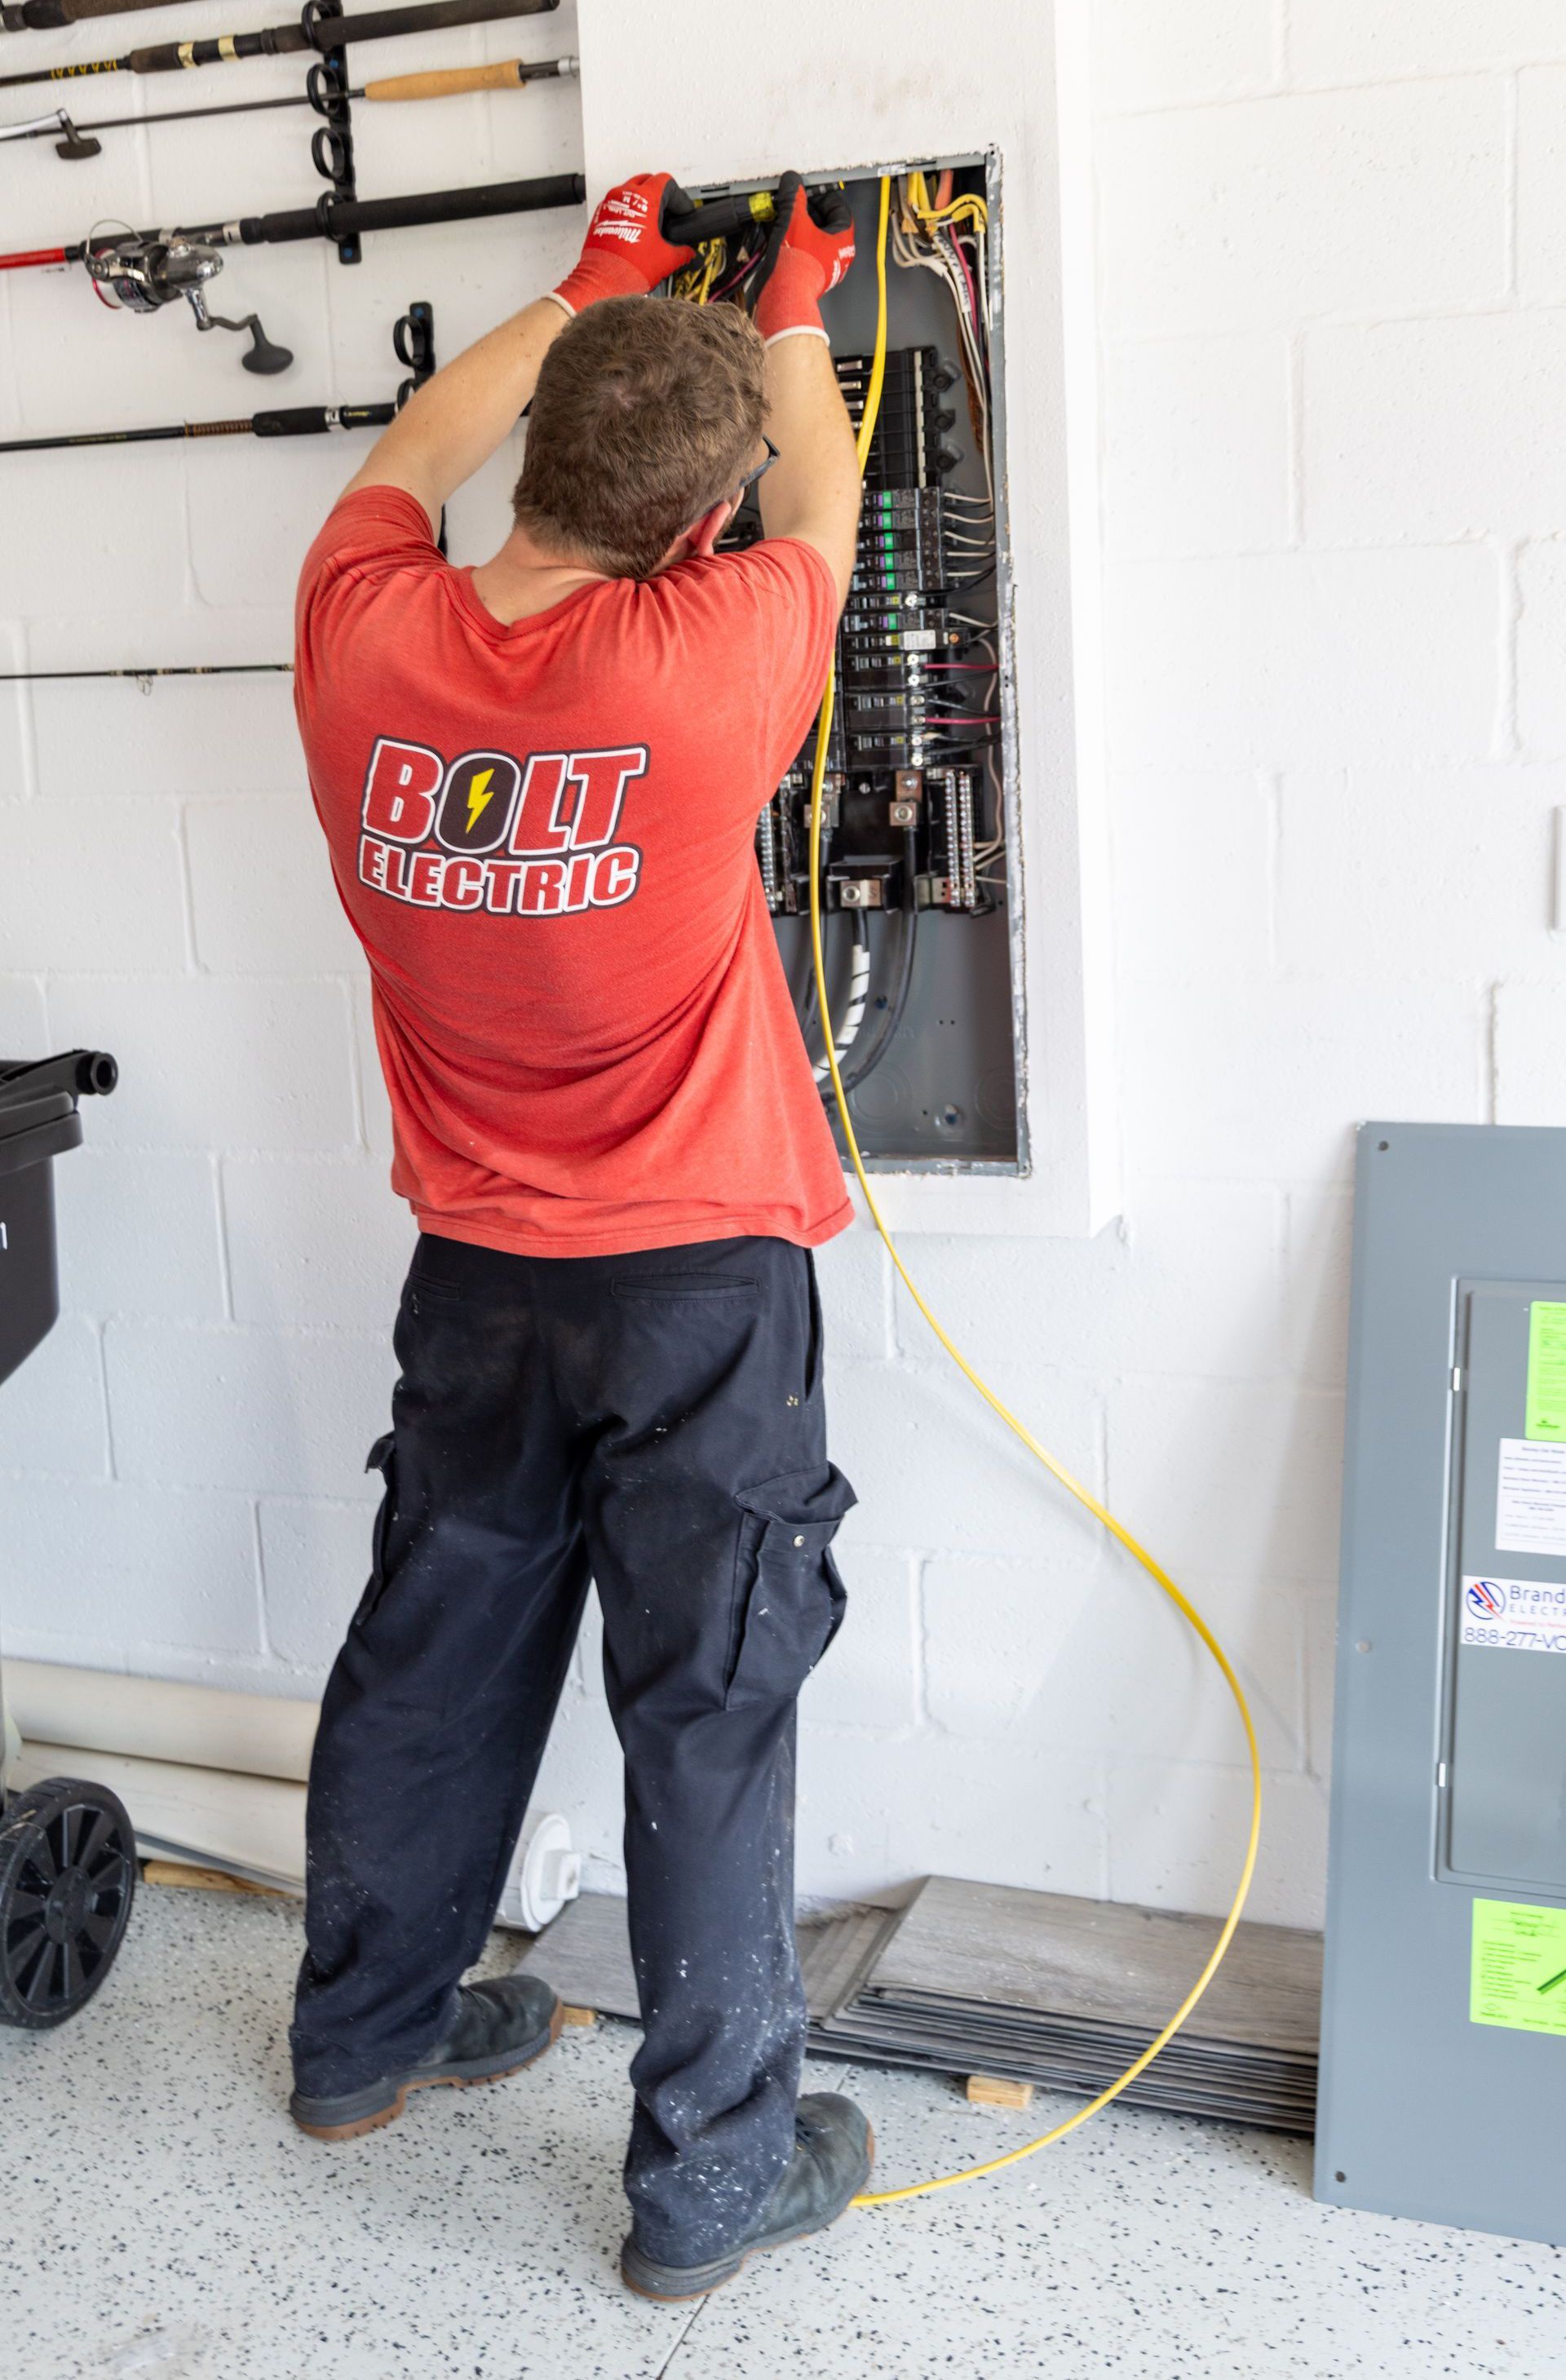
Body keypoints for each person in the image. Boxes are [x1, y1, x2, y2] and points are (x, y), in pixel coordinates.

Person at [286, 168, 874, 2302]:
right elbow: (822, 500)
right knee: (705, 1701)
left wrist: (597, 284)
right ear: (694, 533)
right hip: (698, 1280)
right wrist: (801, 300)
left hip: (475, 1275)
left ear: (545, 455)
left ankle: (359, 2039)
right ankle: (712, 2179)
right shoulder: (717, 660)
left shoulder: (361, 629)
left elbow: (409, 458)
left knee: (436, 1652)